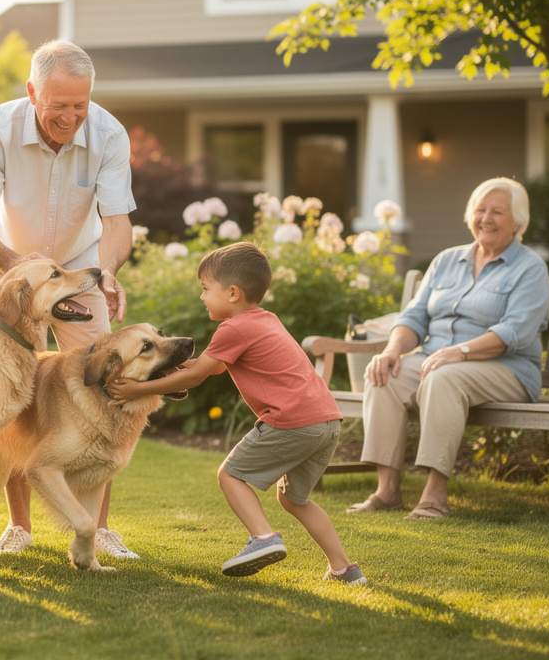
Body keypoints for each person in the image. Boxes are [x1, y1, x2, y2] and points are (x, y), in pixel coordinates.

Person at [0, 40, 139, 558]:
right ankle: (19, 526)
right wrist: (30, 278)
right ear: (32, 91)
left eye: (79, 105)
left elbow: (117, 220)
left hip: (80, 271)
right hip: (5, 264)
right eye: (58, 105)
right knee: (12, 386)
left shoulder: (108, 134)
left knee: (106, 378)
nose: (70, 117)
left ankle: (99, 528)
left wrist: (106, 271)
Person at [106, 242, 367, 584]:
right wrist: (173, 369)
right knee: (294, 499)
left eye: (205, 289)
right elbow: (209, 368)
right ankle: (345, 569)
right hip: (326, 421)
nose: (201, 297)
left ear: (232, 293)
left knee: (230, 475)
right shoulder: (264, 321)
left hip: (292, 420)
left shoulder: (234, 328)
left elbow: (197, 376)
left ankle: (263, 538)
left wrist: (137, 389)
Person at [347, 176, 549, 519]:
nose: (486, 218)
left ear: (518, 222)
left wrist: (461, 352)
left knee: (444, 377)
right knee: (384, 375)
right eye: (479, 209)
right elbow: (413, 318)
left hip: (508, 368)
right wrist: (392, 351)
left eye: (497, 212)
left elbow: (516, 331)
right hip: (438, 360)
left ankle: (434, 496)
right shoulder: (446, 260)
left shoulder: (530, 268)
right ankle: (387, 492)